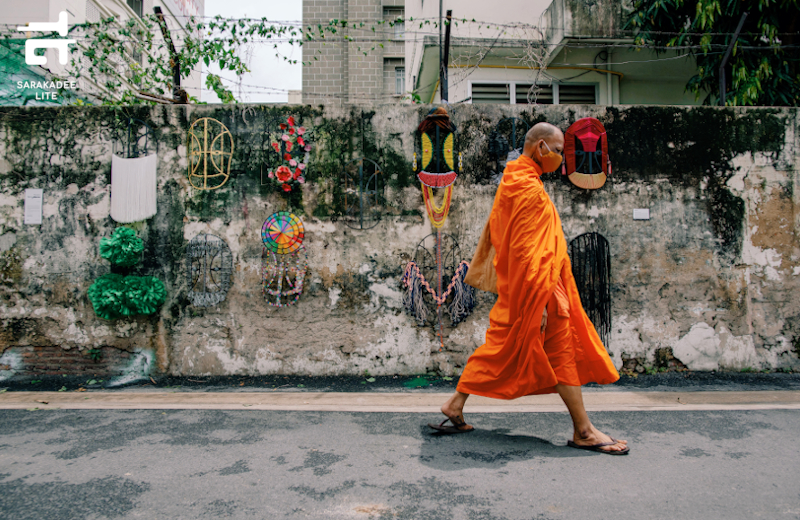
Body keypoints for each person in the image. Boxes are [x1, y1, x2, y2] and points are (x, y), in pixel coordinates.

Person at [429, 122, 629, 455]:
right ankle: (584, 431)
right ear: (539, 148)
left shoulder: (514, 181)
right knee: (559, 351)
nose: (559, 159)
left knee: (499, 350)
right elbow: (528, 252)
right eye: (556, 150)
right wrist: (540, 304)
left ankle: (454, 404)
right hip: (540, 291)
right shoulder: (528, 188)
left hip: (525, 288)